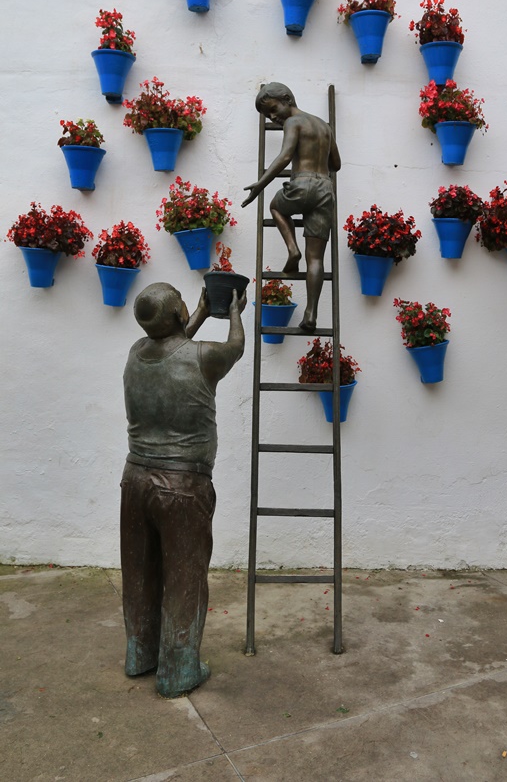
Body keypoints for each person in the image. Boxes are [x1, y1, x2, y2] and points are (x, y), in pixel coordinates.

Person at [120, 282, 245, 699]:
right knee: (183, 577)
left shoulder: (136, 353)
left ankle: (140, 654)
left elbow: (171, 346)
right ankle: (178, 670)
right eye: (183, 309)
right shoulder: (206, 357)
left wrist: (199, 314)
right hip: (183, 486)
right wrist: (233, 313)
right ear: (177, 315)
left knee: (140, 571)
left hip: (135, 478)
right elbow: (235, 348)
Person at [241, 82, 341, 331]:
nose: (273, 117)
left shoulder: (293, 123)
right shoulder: (325, 127)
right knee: (316, 258)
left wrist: (260, 185)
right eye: (268, 116)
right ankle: (311, 313)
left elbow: (285, 156)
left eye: (273, 110)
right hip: (325, 189)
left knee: (276, 206)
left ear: (287, 98)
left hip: (302, 183)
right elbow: (336, 164)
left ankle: (292, 249)